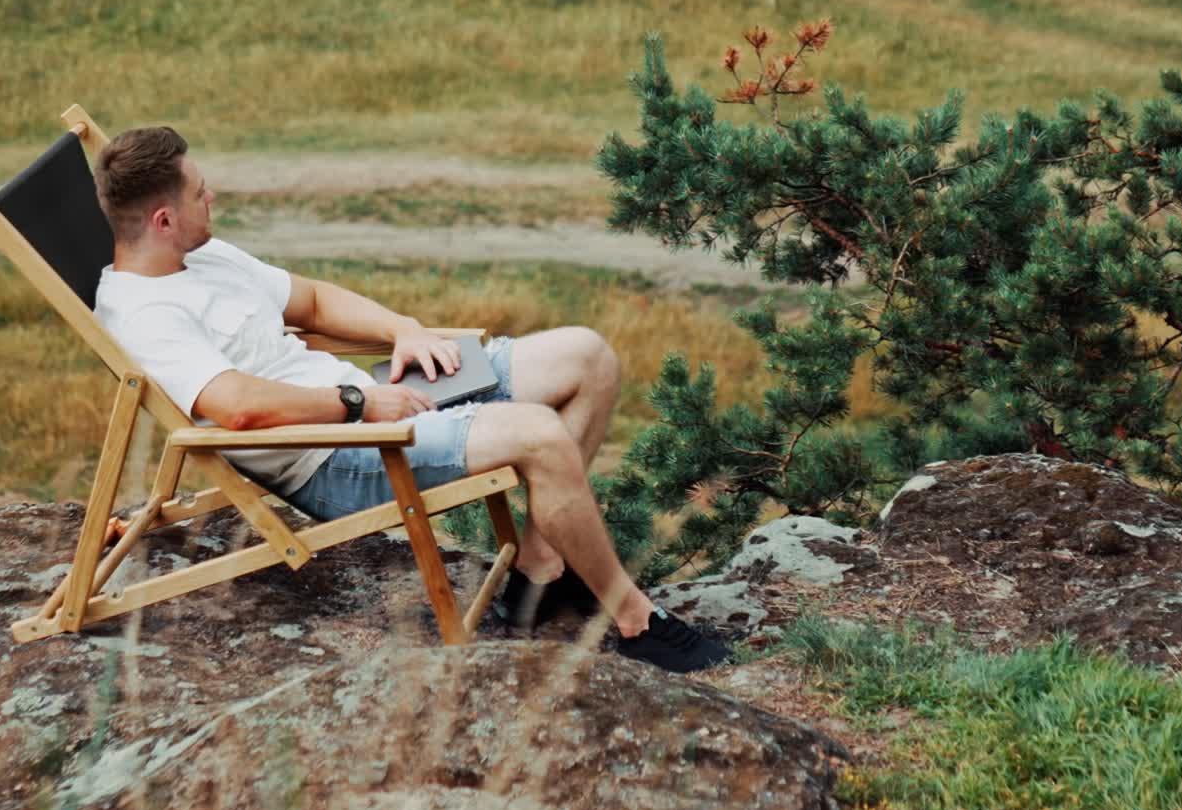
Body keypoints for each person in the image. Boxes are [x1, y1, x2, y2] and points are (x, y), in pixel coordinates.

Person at [90, 125, 730, 674]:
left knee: (586, 357)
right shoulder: (147, 314)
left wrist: (404, 330)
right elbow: (239, 408)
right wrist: (358, 405)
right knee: (539, 435)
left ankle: (540, 570)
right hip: (335, 452)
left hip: (369, 404)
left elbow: (310, 300)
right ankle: (634, 618)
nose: (214, 197)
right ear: (163, 219)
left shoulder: (201, 257)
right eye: (201, 192)